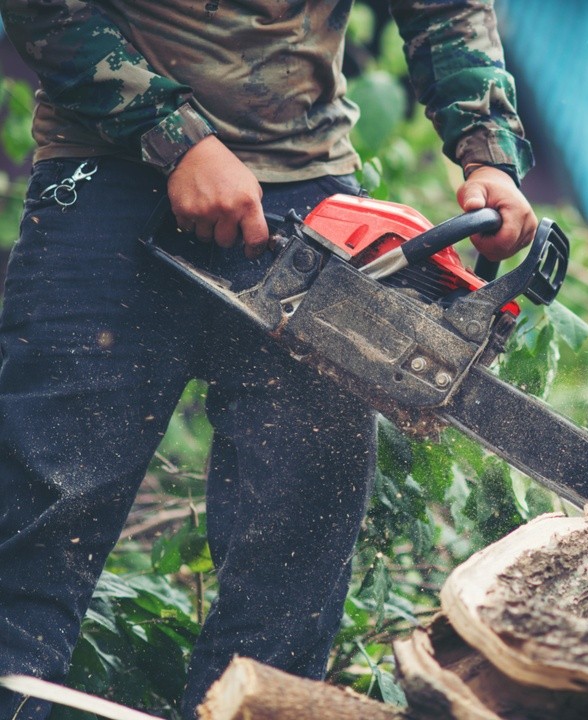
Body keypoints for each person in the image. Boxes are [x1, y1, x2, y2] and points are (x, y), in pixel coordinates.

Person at [0, 1, 536, 718]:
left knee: (294, 559)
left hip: (311, 198)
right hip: (106, 180)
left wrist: (487, 150)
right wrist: (177, 140)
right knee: (39, 529)